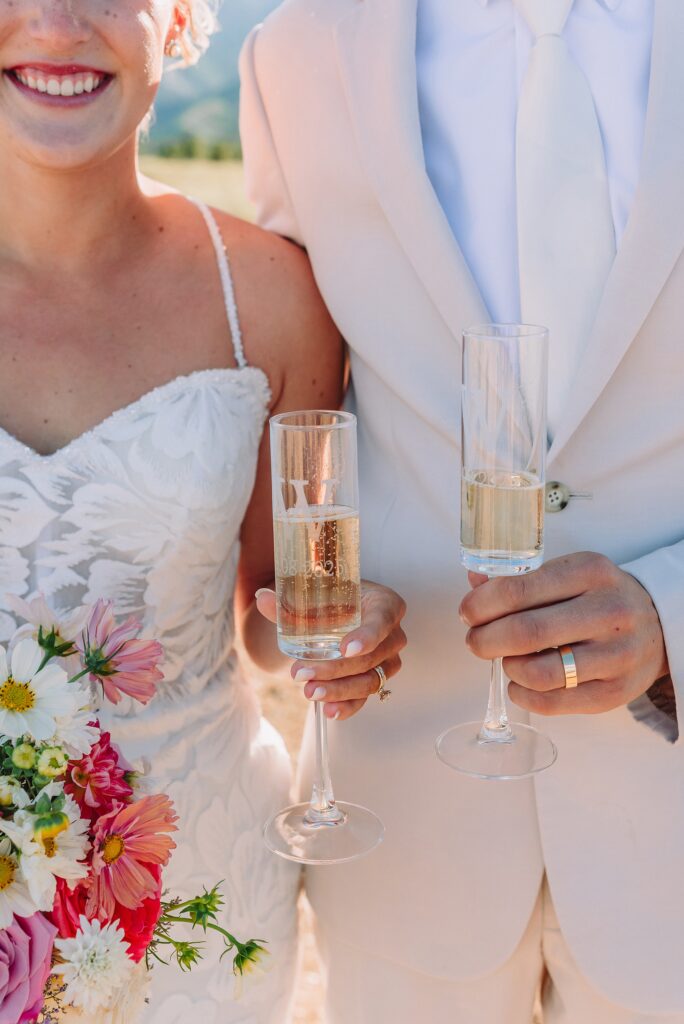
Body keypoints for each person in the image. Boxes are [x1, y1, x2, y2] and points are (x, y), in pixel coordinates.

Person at [239, 0, 684, 1020]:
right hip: (402, 828)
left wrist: (673, 615)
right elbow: (297, 413)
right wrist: (321, 614)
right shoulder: (295, 57)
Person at [0, 1, 406, 1022]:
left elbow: (282, 624)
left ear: (174, 21)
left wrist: (345, 632)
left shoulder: (270, 299)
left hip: (202, 907)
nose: (53, 24)